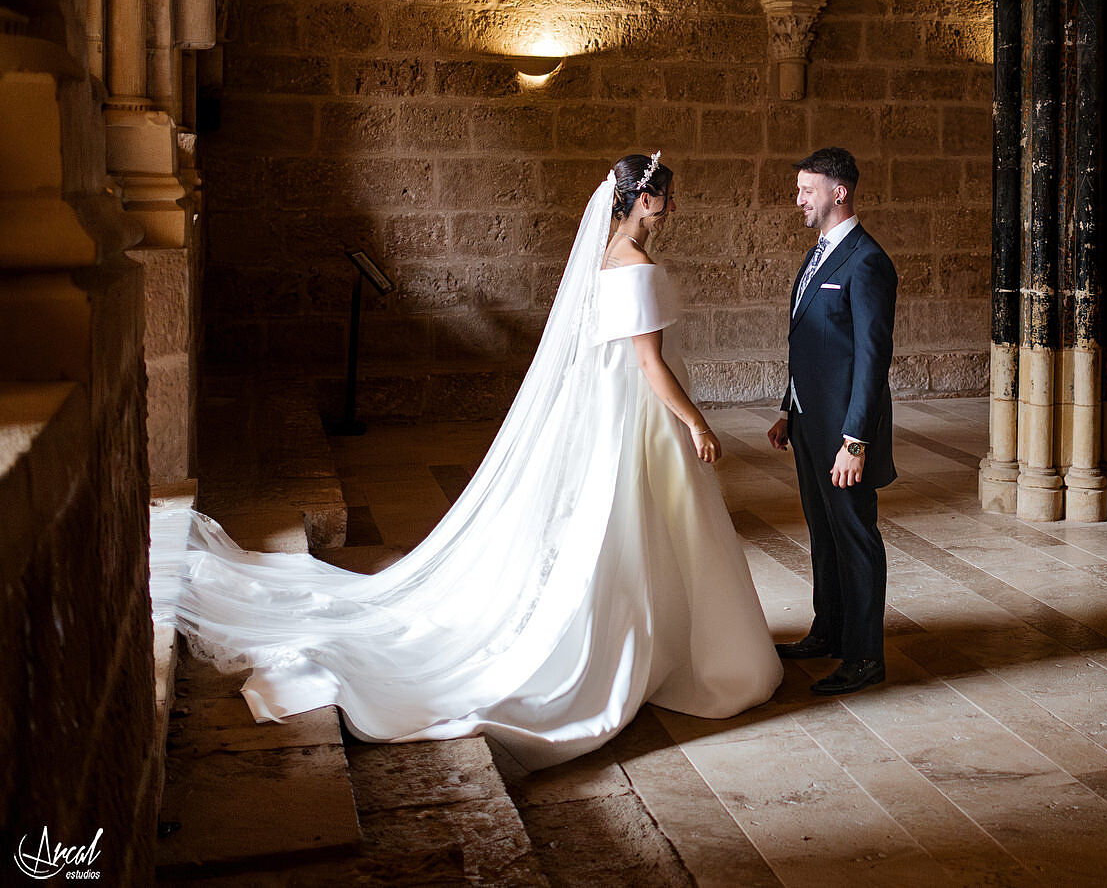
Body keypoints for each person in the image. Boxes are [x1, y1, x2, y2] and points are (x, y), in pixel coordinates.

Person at [150, 153, 782, 773]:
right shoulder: (638, 265)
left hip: (607, 407)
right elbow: (649, 364)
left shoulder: (604, 256)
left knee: (625, 522)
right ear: (645, 199)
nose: (671, 209)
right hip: (639, 412)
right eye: (667, 198)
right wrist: (697, 421)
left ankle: (648, 635)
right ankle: (652, 643)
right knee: (645, 522)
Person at [766, 146, 898, 696]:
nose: (798, 199)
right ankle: (829, 631)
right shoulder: (818, 254)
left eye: (807, 190)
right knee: (823, 533)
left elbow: (871, 359)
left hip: (845, 434)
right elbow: (810, 342)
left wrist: (856, 440)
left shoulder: (868, 262)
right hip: (807, 424)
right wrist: (787, 408)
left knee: (855, 536)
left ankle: (865, 656)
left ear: (838, 192)